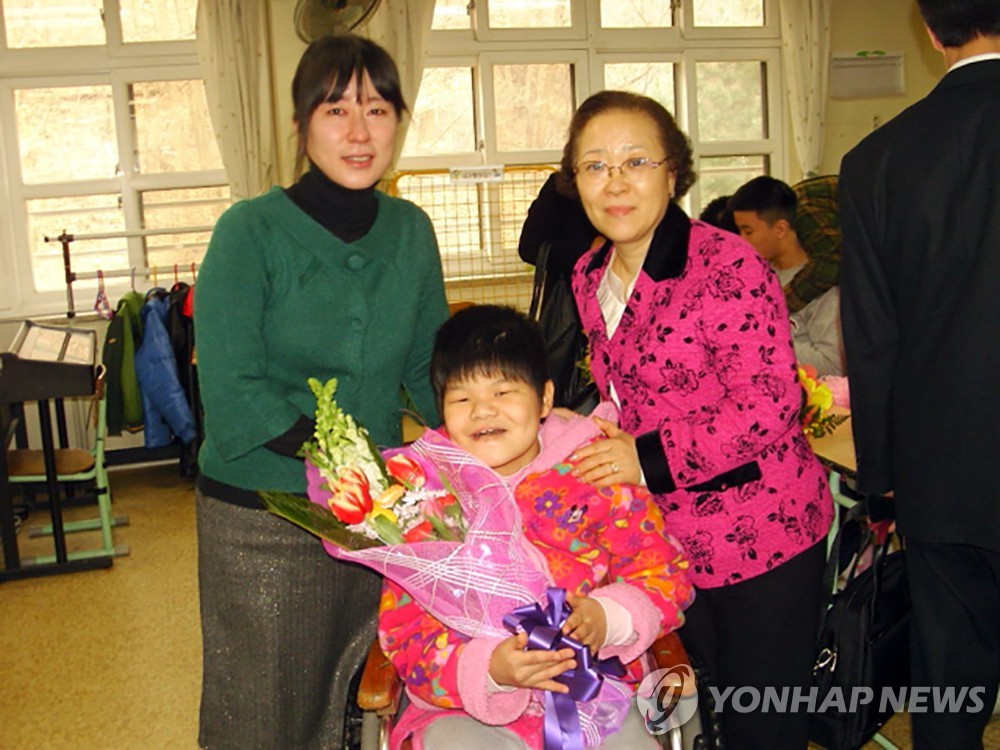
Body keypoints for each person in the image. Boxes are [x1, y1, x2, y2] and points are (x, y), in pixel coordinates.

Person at [193, 34, 449, 749]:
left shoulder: (412, 230)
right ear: (303, 123)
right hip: (265, 520)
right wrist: (358, 468)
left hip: (376, 517)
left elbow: (432, 368)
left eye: (378, 108)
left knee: (366, 701)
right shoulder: (248, 232)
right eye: (336, 109)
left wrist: (497, 434)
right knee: (264, 711)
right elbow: (234, 388)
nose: (360, 131)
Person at [562, 90, 833, 750]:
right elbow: (625, 389)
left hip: (763, 536)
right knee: (698, 713)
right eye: (595, 166)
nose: (615, 182)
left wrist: (642, 459)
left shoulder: (725, 265)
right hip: (670, 545)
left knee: (761, 725)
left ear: (674, 172)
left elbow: (770, 405)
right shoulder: (589, 273)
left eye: (636, 162)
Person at [377, 304, 694, 749]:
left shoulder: (592, 468)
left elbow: (664, 573)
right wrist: (488, 669)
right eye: (462, 398)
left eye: (503, 392)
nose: (483, 412)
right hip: (467, 706)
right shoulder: (422, 498)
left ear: (544, 398)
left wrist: (607, 617)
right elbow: (405, 629)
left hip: (594, 688)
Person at [838, 2, 1000, 747]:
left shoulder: (878, 160)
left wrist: (881, 474)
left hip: (940, 467)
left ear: (932, 33)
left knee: (951, 674)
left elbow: (871, 337)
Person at [730, 175, 845, 376]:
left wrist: (763, 336)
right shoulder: (750, 279)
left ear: (780, 229)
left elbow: (832, 366)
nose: (742, 240)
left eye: (748, 231)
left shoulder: (822, 286)